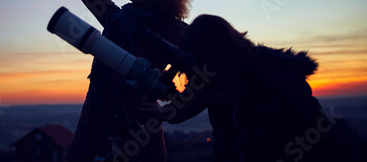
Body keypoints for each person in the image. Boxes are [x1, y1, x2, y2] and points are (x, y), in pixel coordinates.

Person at [25, 0, 193, 162]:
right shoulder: (116, 20)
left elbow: (203, 75)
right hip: (90, 130)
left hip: (140, 138)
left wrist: (168, 112)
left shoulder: (174, 31)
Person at [144, 14, 352, 162]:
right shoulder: (220, 88)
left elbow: (325, 149)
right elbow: (225, 147)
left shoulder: (282, 82)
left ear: (219, 56)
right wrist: (165, 112)